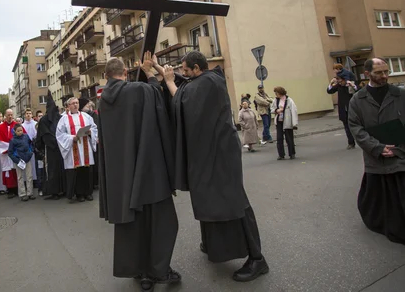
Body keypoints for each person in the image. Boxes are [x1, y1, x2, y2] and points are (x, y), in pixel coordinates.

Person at [159, 51, 268, 282]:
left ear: (197, 69)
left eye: (187, 70)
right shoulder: (204, 80)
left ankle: (257, 259)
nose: (184, 74)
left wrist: (168, 82)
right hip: (213, 153)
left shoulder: (207, 83)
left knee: (235, 202)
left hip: (220, 156)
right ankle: (213, 244)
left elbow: (183, 101)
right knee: (209, 198)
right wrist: (160, 71)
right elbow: (185, 85)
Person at [98, 54, 180, 291]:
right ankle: (160, 270)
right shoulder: (137, 90)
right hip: (148, 169)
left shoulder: (104, 101)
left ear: (106, 76)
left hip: (121, 175)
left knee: (133, 226)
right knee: (162, 222)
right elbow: (157, 95)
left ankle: (141, 273)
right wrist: (150, 72)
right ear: (125, 72)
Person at [348, 58, 405, 263]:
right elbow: (356, 128)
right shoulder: (358, 99)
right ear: (367, 74)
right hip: (377, 160)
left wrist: (398, 150)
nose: (384, 76)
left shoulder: (402, 95)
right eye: (379, 72)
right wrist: (378, 148)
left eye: (386, 72)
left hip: (404, 158)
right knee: (374, 198)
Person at [56, 97, 98, 203]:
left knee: (87, 170)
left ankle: (88, 192)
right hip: (73, 147)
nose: (75, 105)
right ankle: (79, 194)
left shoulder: (86, 116)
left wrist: (90, 132)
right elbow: (60, 134)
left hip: (85, 147)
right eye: (73, 103)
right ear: (68, 106)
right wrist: (72, 138)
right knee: (77, 171)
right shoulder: (63, 119)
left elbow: (94, 128)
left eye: (77, 103)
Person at [36, 93, 66, 200]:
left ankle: (58, 190)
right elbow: (45, 134)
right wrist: (59, 141)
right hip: (54, 148)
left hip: (56, 148)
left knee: (58, 169)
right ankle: (57, 190)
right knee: (54, 170)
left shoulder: (59, 118)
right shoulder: (46, 120)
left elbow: (63, 131)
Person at [327, 74, 358, 149]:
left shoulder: (349, 85)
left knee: (357, 126)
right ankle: (351, 142)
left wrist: (353, 86)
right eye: (338, 80)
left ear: (344, 79)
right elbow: (329, 91)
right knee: (347, 127)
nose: (339, 81)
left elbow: (358, 90)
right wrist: (331, 83)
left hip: (353, 110)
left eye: (340, 80)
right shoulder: (339, 86)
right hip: (343, 110)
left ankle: (362, 140)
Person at [0, 109, 19, 198]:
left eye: (11, 114)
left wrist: (14, 147)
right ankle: (10, 190)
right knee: (8, 171)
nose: (10, 116)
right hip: (5, 153)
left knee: (16, 170)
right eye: (8, 115)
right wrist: (9, 147)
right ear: (5, 115)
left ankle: (17, 189)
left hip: (15, 153)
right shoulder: (0, 127)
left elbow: (22, 137)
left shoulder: (17, 125)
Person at [7, 124, 36, 201]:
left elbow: (31, 144)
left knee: (29, 176)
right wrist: (16, 160)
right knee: (20, 177)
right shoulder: (13, 140)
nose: (20, 132)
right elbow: (10, 152)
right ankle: (22, 194)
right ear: (15, 131)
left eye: (21, 130)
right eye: (18, 131)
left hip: (27, 158)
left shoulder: (26, 136)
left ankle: (30, 192)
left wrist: (30, 152)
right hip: (19, 160)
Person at [271, 86, 299, 160]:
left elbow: (294, 111)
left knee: (289, 138)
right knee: (279, 138)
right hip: (279, 121)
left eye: (276, 93)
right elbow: (272, 109)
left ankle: (292, 153)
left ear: (280, 93)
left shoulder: (289, 100)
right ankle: (281, 155)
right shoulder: (275, 100)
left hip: (287, 121)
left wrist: (294, 123)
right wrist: (277, 110)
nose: (276, 94)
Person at [21, 108, 38, 189]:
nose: (28, 115)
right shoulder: (22, 126)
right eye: (27, 113)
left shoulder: (36, 124)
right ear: (25, 115)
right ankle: (26, 181)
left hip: (33, 146)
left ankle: (34, 180)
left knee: (33, 165)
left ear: (32, 115)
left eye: (30, 113)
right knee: (26, 166)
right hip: (25, 147)